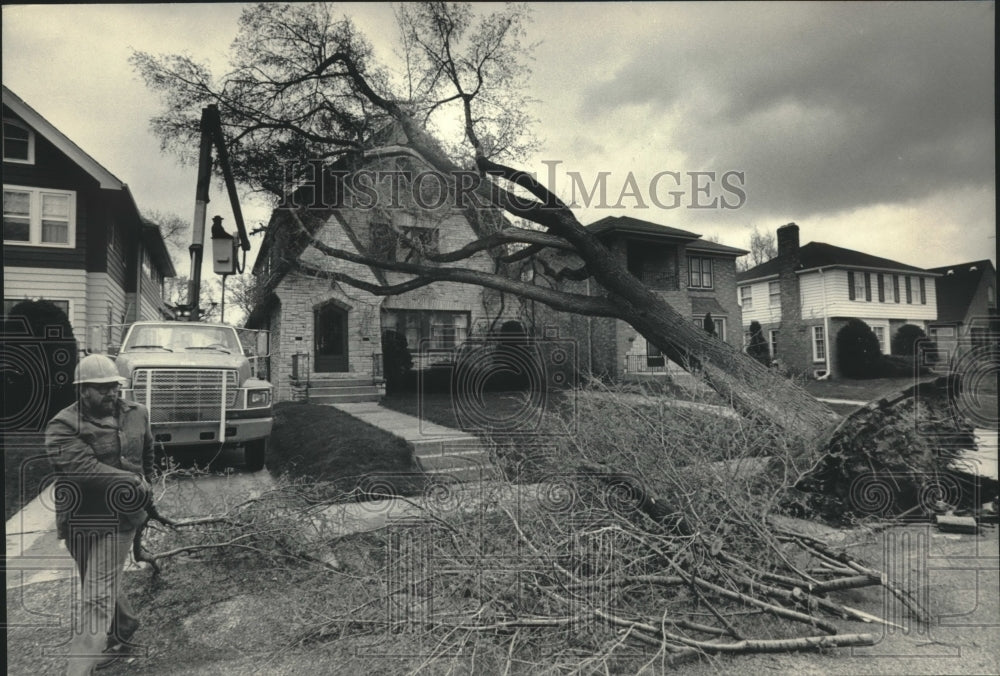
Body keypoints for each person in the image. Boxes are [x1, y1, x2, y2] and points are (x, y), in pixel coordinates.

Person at [45, 353, 155, 675]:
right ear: (83, 390)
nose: (111, 393)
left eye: (114, 386)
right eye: (102, 388)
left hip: (120, 518)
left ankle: (78, 668)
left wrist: (146, 493)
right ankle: (125, 625)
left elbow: (148, 452)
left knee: (96, 594)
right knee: (96, 581)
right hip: (81, 519)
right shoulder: (62, 426)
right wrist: (133, 481)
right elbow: (83, 468)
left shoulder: (139, 413)